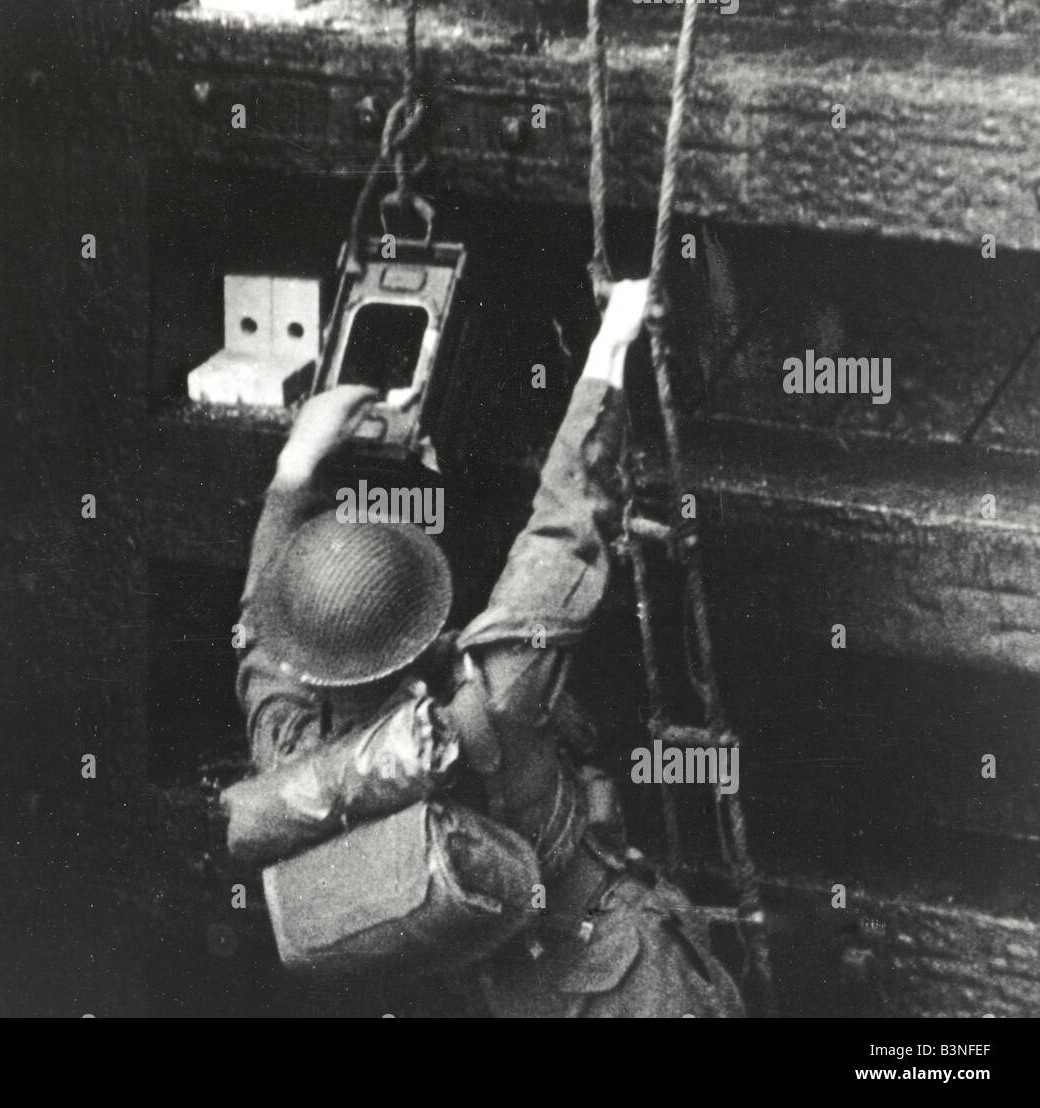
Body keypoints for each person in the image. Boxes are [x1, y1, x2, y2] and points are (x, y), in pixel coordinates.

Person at [228, 279, 745, 1017]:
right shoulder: (491, 698)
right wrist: (612, 341)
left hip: (497, 995)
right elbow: (562, 533)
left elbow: (257, 642)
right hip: (611, 977)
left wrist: (293, 472)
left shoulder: (295, 755)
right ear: (419, 612)